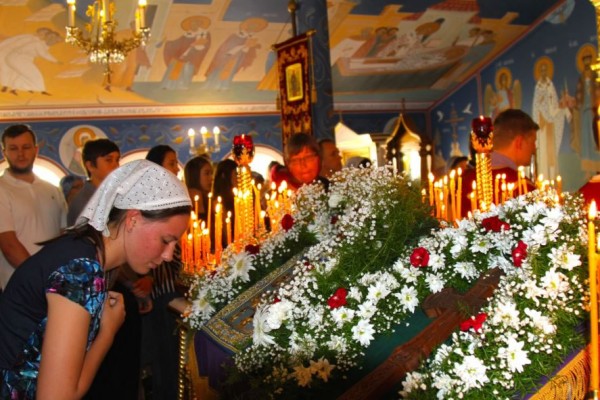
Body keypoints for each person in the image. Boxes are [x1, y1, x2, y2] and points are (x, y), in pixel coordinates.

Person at [0, 159, 192, 399]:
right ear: (133, 219)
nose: (167, 255)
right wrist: (107, 333)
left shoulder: (84, 252)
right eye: (166, 240)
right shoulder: (80, 270)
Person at [139, 145, 183, 400]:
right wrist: (148, 277)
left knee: (172, 352)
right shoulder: (151, 200)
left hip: (170, 285)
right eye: (171, 162)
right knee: (161, 352)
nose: (176, 168)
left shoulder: (173, 196)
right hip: (156, 290)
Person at [0, 124, 67, 290]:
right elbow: (9, 245)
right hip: (20, 286)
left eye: (26, 147)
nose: (21, 154)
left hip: (55, 285)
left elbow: (63, 237)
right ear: (4, 153)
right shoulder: (2, 189)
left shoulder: (52, 190)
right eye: (13, 148)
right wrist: (41, 278)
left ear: (36, 150)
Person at [460, 109, 539, 217]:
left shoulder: (463, 179)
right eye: (533, 141)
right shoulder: (523, 188)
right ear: (519, 142)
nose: (534, 149)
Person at [67, 138, 121, 226]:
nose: (116, 166)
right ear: (90, 166)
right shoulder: (84, 202)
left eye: (117, 160)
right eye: (109, 160)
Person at [184, 155, 213, 221]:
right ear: (195, 175)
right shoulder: (185, 204)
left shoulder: (209, 201)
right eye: (207, 173)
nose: (211, 178)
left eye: (211, 173)